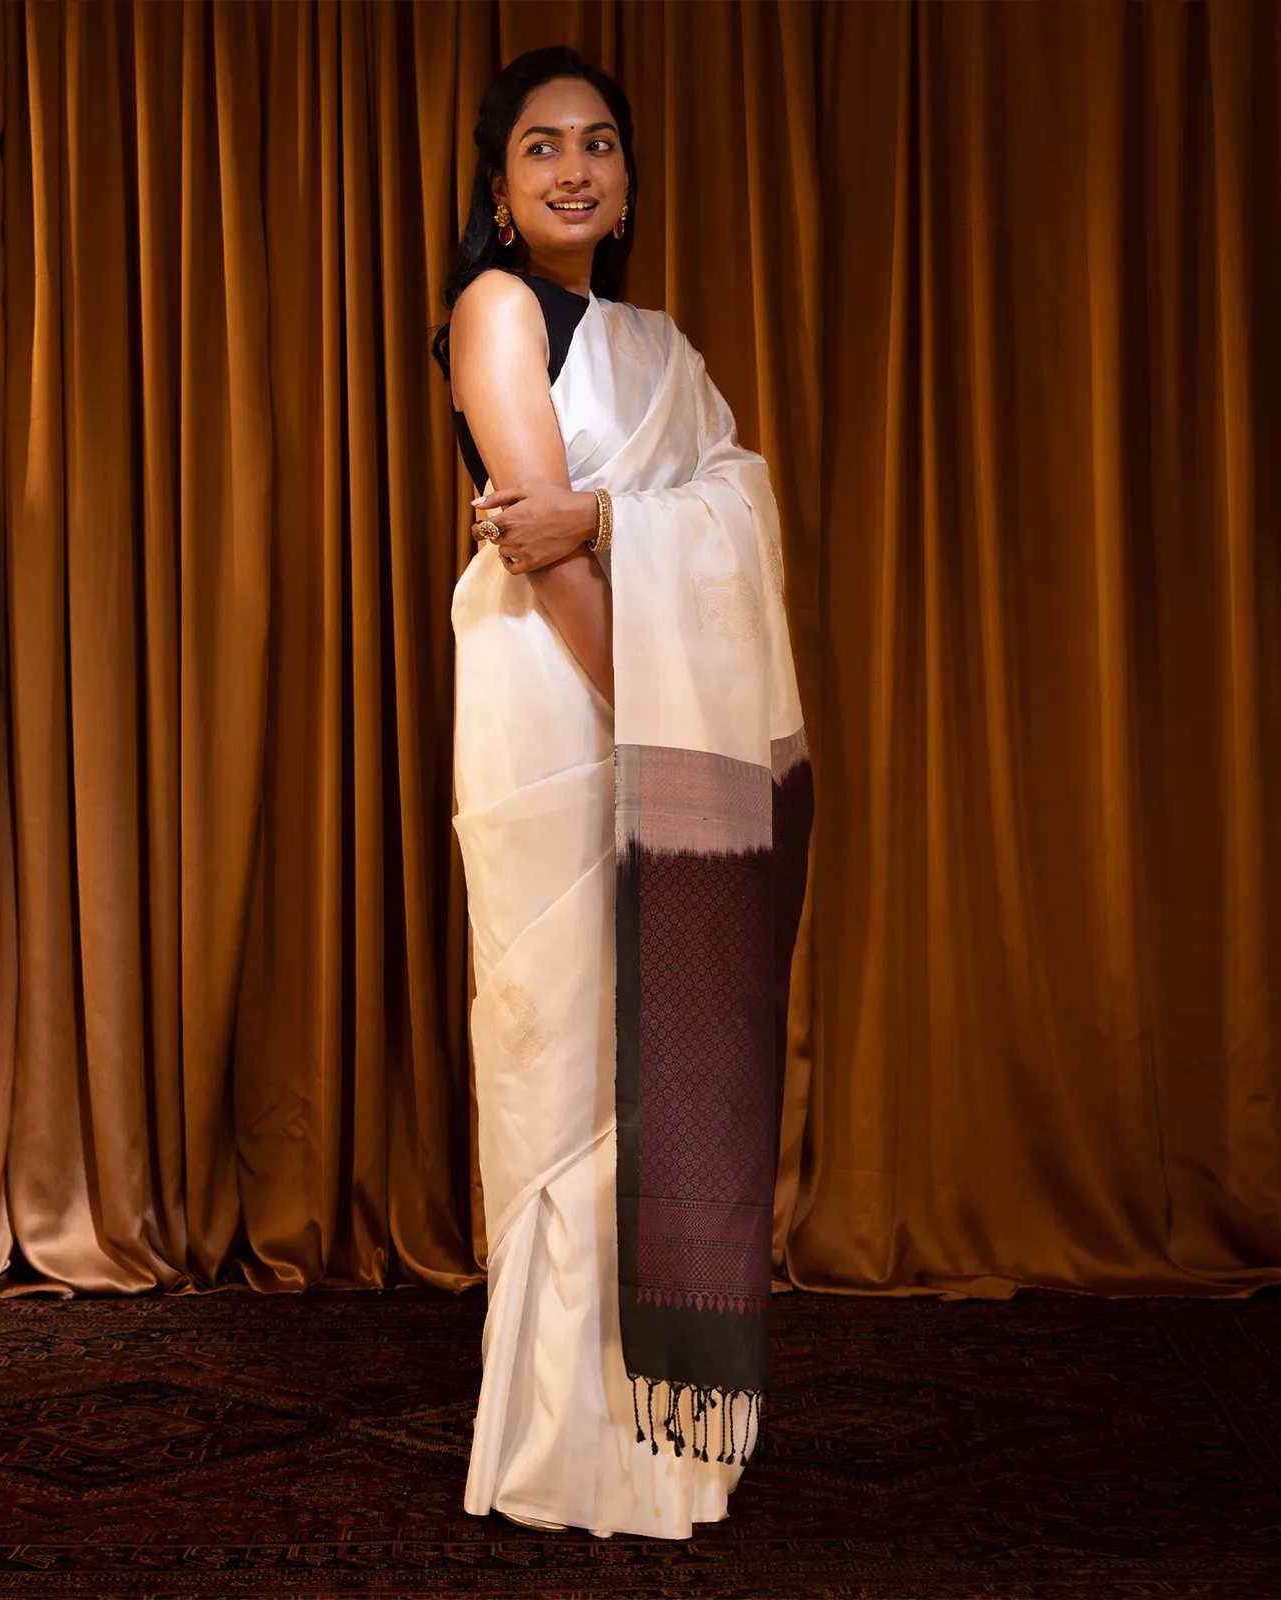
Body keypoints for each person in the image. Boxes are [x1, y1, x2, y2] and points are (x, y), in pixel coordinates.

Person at [432, 46, 812, 1541]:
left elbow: (713, 508)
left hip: (650, 718)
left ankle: (663, 1441)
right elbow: (534, 556)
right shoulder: (496, 308)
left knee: (659, 1059)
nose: (573, 169)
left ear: (630, 180)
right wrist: (655, 716)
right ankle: (564, 1449)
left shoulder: (662, 351)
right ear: (500, 187)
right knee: (572, 1062)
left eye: (597, 144)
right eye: (541, 147)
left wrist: (597, 514)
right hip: (553, 709)